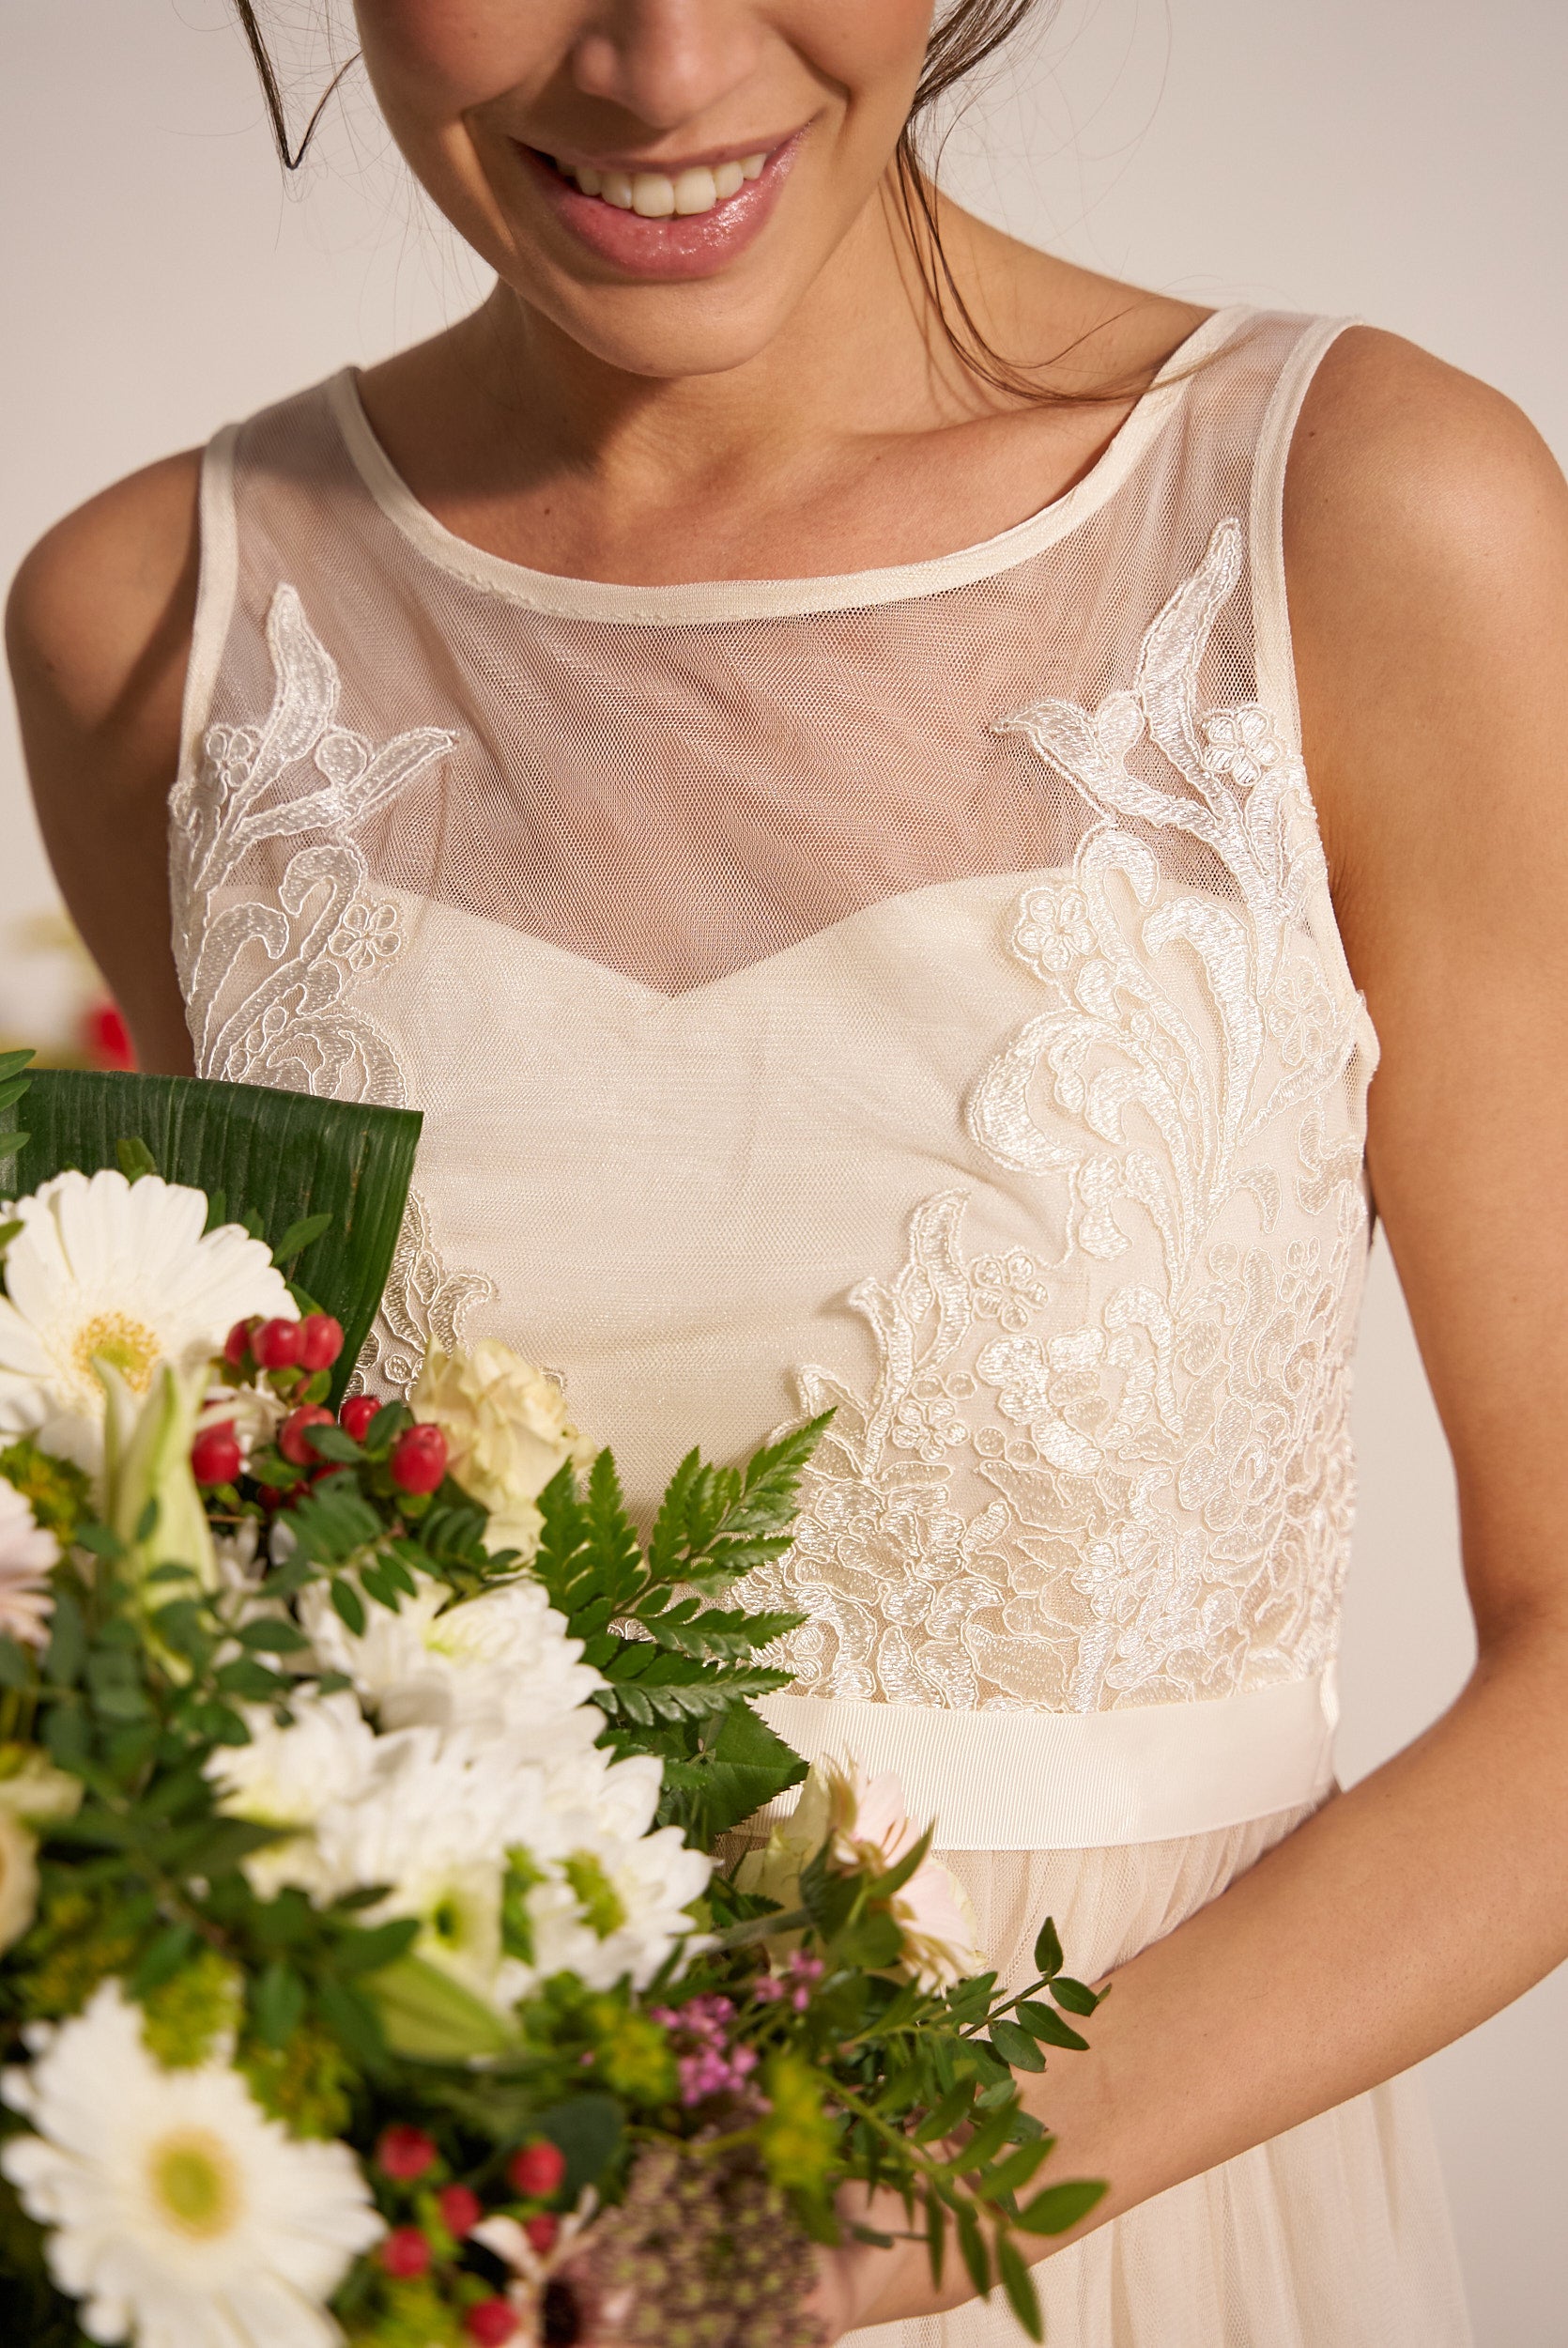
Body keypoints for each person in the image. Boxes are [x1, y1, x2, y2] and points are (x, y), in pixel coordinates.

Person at [8, 4, 1568, 2340]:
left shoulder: (1357, 516)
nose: (654, 62)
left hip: (1139, 2260)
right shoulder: (152, 623)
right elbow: (254, 1602)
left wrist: (911, 2199)